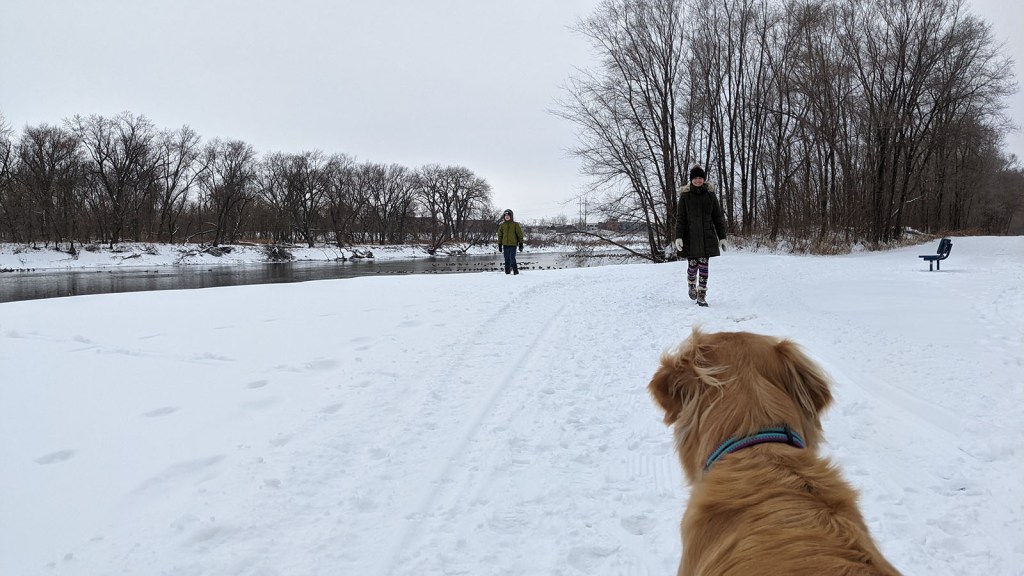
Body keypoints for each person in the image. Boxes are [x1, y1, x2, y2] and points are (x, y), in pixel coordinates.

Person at [675, 165, 727, 307]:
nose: (698, 181)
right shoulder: (685, 196)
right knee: (693, 267)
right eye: (695, 178)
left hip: (706, 238)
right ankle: (691, 283)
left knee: (704, 268)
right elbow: (681, 218)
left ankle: (701, 295)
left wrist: (722, 237)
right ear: (691, 180)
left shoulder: (710, 195)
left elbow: (717, 217)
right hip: (690, 238)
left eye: (700, 178)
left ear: (704, 179)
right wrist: (678, 237)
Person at [497, 208, 525, 275]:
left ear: (511, 216)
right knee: (506, 259)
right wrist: (500, 245)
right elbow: (500, 236)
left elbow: (520, 234)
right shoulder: (502, 225)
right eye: (505, 215)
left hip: (513, 245)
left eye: (508, 215)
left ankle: (515, 271)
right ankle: (507, 272)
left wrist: (521, 243)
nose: (507, 217)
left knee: (512, 258)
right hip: (505, 245)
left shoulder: (515, 224)